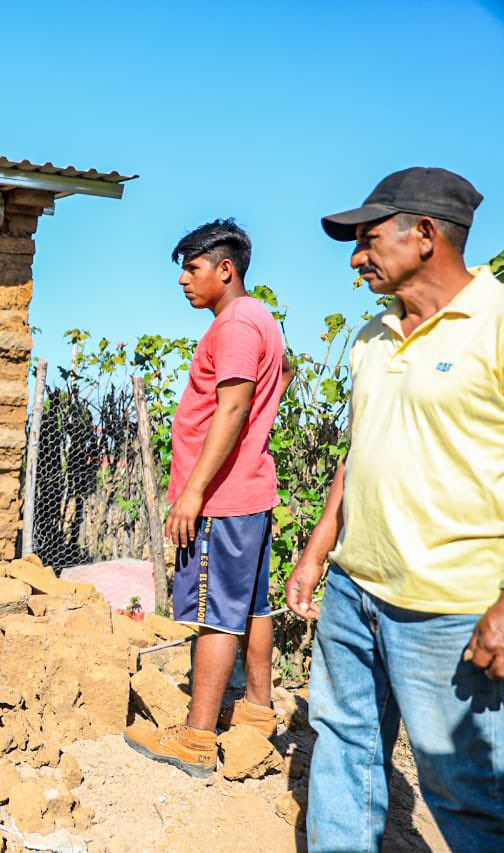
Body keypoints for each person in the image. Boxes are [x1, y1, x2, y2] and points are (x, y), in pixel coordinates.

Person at [286, 167, 503, 850]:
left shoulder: (495, 326)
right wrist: (320, 548)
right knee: (343, 754)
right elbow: (360, 451)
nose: (356, 256)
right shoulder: (371, 339)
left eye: (369, 238)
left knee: (465, 794)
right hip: (355, 593)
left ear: (427, 235)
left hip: (451, 608)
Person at [125, 219, 293, 776]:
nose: (182, 281)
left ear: (226, 269)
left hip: (222, 497)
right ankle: (257, 712)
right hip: (251, 487)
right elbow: (283, 375)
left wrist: (194, 490)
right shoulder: (260, 317)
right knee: (251, 604)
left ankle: (197, 738)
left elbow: (233, 407)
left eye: (192, 268)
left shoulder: (235, 326)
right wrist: (254, 438)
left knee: (215, 613)